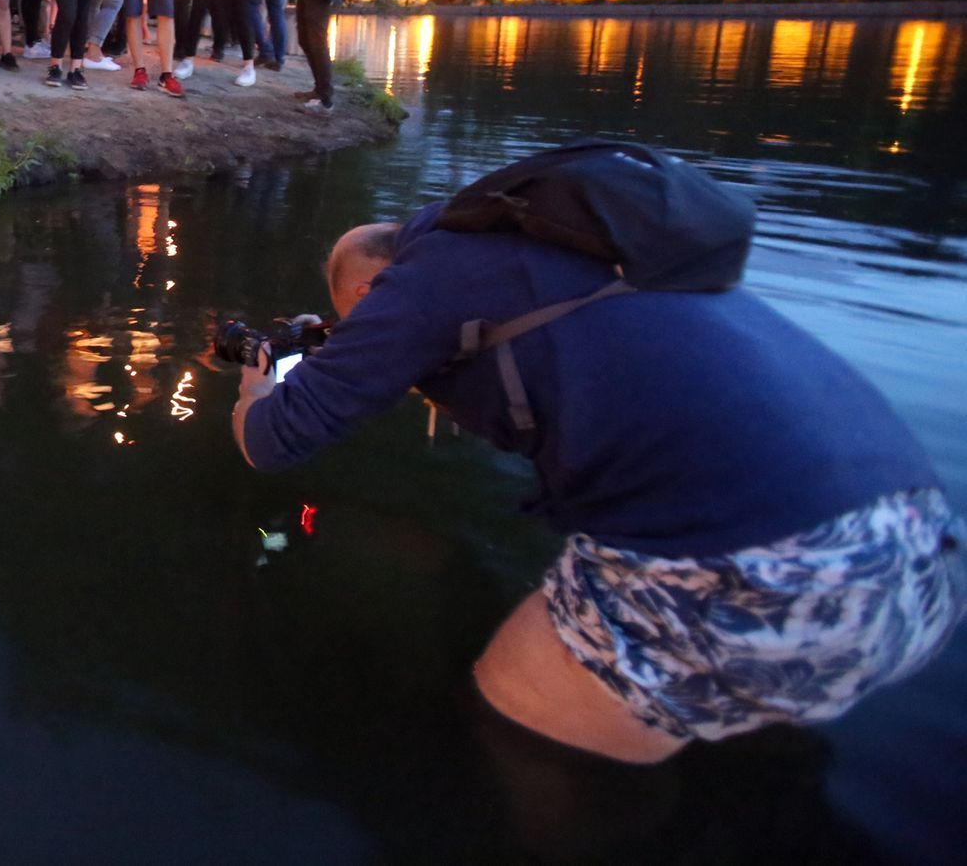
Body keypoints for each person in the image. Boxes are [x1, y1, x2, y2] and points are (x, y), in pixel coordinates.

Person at [232, 145, 964, 764]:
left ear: (368, 286)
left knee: (508, 710)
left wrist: (249, 391)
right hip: (916, 544)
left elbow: (272, 442)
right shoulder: (544, 246)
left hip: (778, 572)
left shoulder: (419, 281)